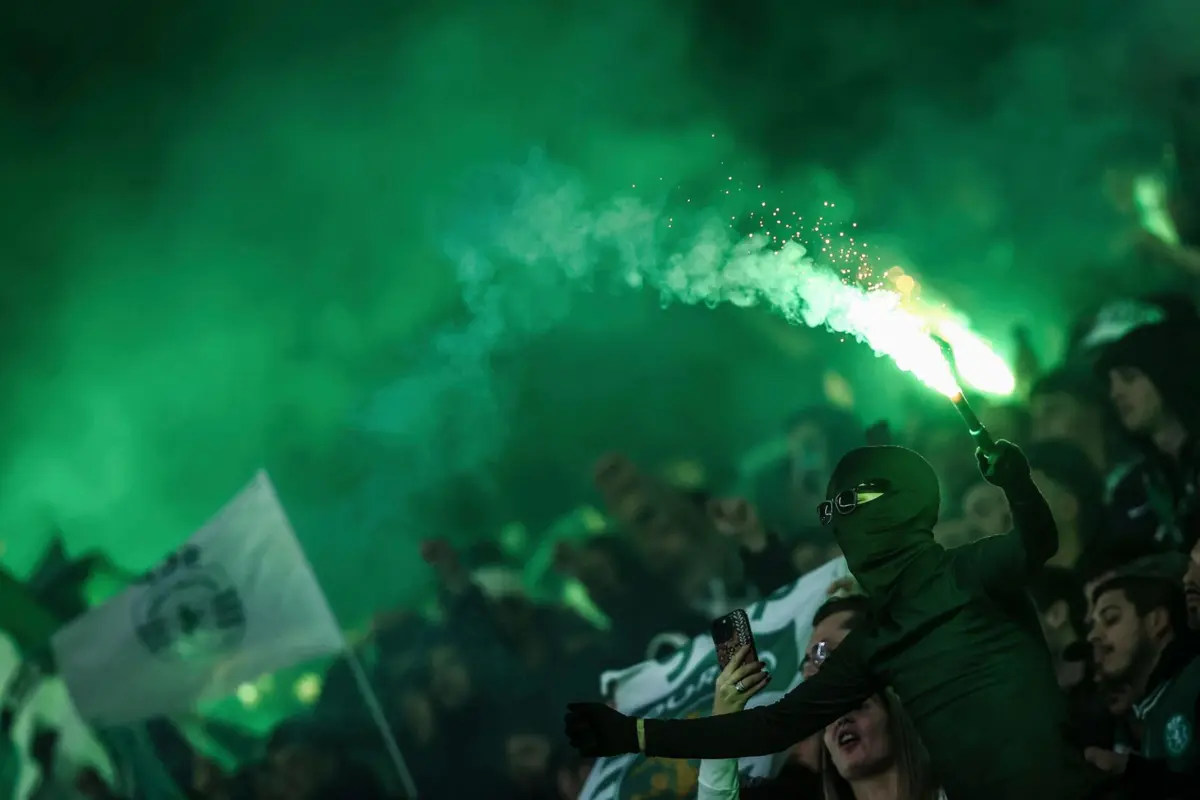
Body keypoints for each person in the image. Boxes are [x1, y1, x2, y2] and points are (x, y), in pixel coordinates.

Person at [564, 441, 1111, 799]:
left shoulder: (969, 571)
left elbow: (1039, 541)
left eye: (855, 508)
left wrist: (1015, 480)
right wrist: (631, 732)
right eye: (834, 514)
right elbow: (770, 725)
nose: (846, 526)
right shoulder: (875, 644)